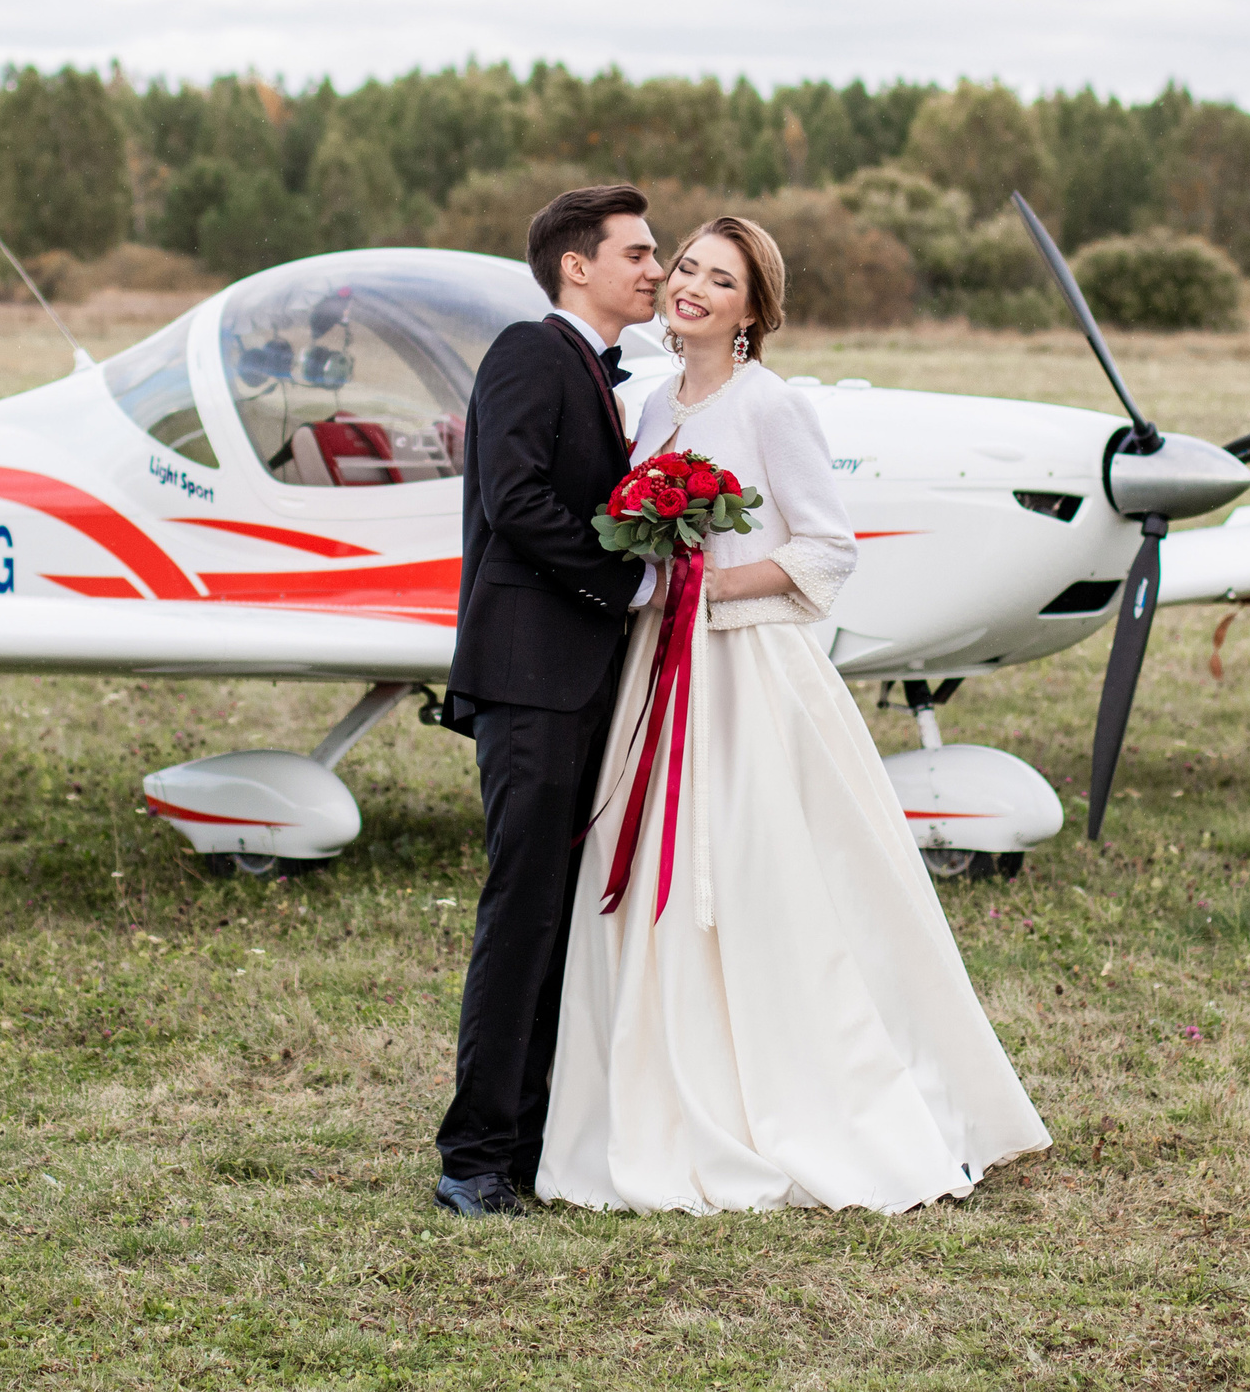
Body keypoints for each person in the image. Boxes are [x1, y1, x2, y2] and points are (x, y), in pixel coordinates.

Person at [538, 215, 1050, 1215]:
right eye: (683, 267)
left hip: (746, 674)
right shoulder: (648, 409)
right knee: (646, 873)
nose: (688, 287)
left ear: (750, 311)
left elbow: (824, 552)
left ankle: (806, 1091)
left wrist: (709, 592)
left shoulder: (770, 408)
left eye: (718, 280)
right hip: (659, 668)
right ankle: (651, 1096)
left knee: (758, 874)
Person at [434, 184, 662, 1217]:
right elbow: (513, 500)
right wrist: (632, 579)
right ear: (578, 265)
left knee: (555, 916)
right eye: (640, 254)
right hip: (530, 678)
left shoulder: (600, 374)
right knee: (521, 913)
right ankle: (473, 1157)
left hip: (573, 680)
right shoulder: (532, 351)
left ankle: (524, 1145)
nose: (656, 271)